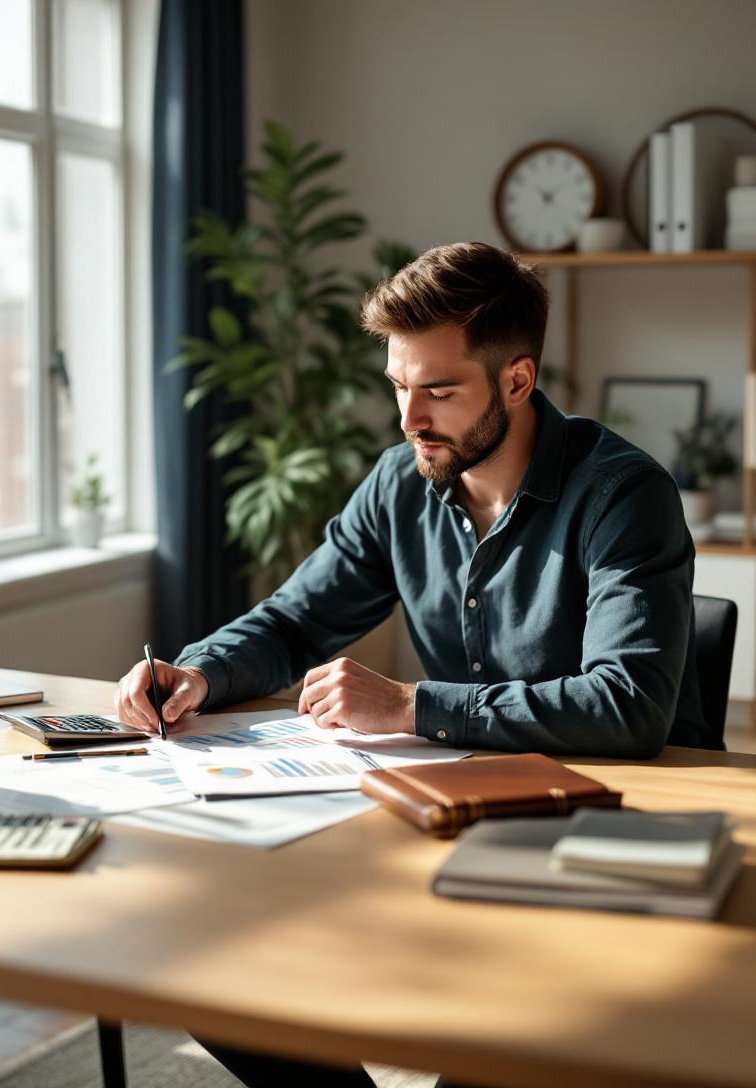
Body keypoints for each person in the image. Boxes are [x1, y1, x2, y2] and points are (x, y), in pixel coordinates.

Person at [115, 240, 707, 1087]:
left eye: (437, 390)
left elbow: (629, 707)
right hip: (449, 810)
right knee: (204, 955)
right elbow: (296, 617)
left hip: (604, 828)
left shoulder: (623, 496)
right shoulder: (402, 482)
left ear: (516, 379)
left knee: (498, 1052)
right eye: (399, 385)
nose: (408, 418)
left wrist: (411, 706)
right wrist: (200, 672)